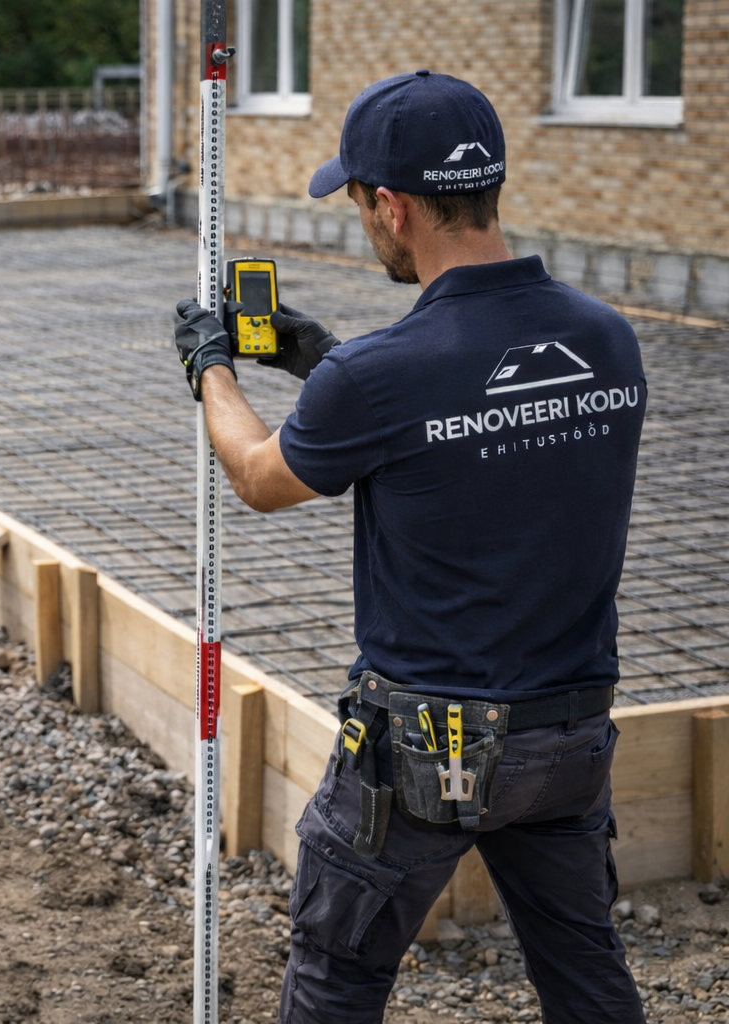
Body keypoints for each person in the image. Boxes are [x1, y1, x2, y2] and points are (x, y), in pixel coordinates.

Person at [173, 71, 648, 1024]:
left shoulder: (381, 376)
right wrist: (324, 364)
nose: (363, 221)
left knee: (336, 980)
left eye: (358, 203)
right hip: (569, 741)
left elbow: (263, 480)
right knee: (586, 975)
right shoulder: (609, 340)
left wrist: (211, 369)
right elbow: (462, 418)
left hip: (429, 754)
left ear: (393, 206)